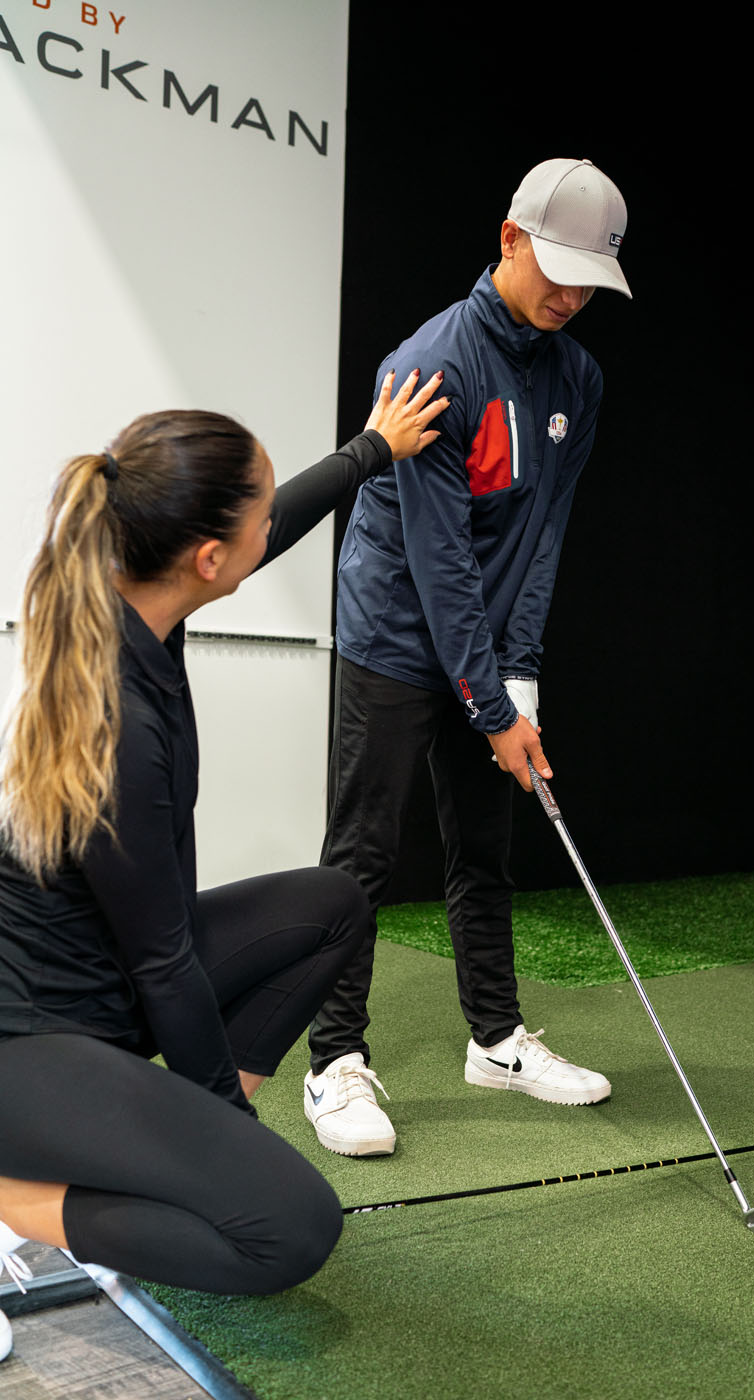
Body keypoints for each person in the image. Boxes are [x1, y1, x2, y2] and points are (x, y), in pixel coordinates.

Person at [0, 371, 448, 1347]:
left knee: (334, 902)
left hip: (99, 992)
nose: (264, 531)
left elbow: (267, 524)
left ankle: (176, 1141)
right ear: (207, 556)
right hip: (26, 1047)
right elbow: (165, 965)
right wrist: (223, 1130)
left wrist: (370, 449)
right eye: (247, 519)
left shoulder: (134, 598)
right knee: (289, 1227)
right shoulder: (121, 724)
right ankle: (12, 1199)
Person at [305, 158, 632, 1157]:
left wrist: (515, 673)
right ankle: (333, 1059)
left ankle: (494, 1037)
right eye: (557, 268)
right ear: (508, 239)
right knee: (363, 851)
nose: (569, 294)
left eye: (589, 278)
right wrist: (492, 708)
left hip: (483, 642)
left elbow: (540, 541)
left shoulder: (579, 375)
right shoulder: (429, 365)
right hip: (396, 634)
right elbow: (437, 556)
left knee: (483, 847)